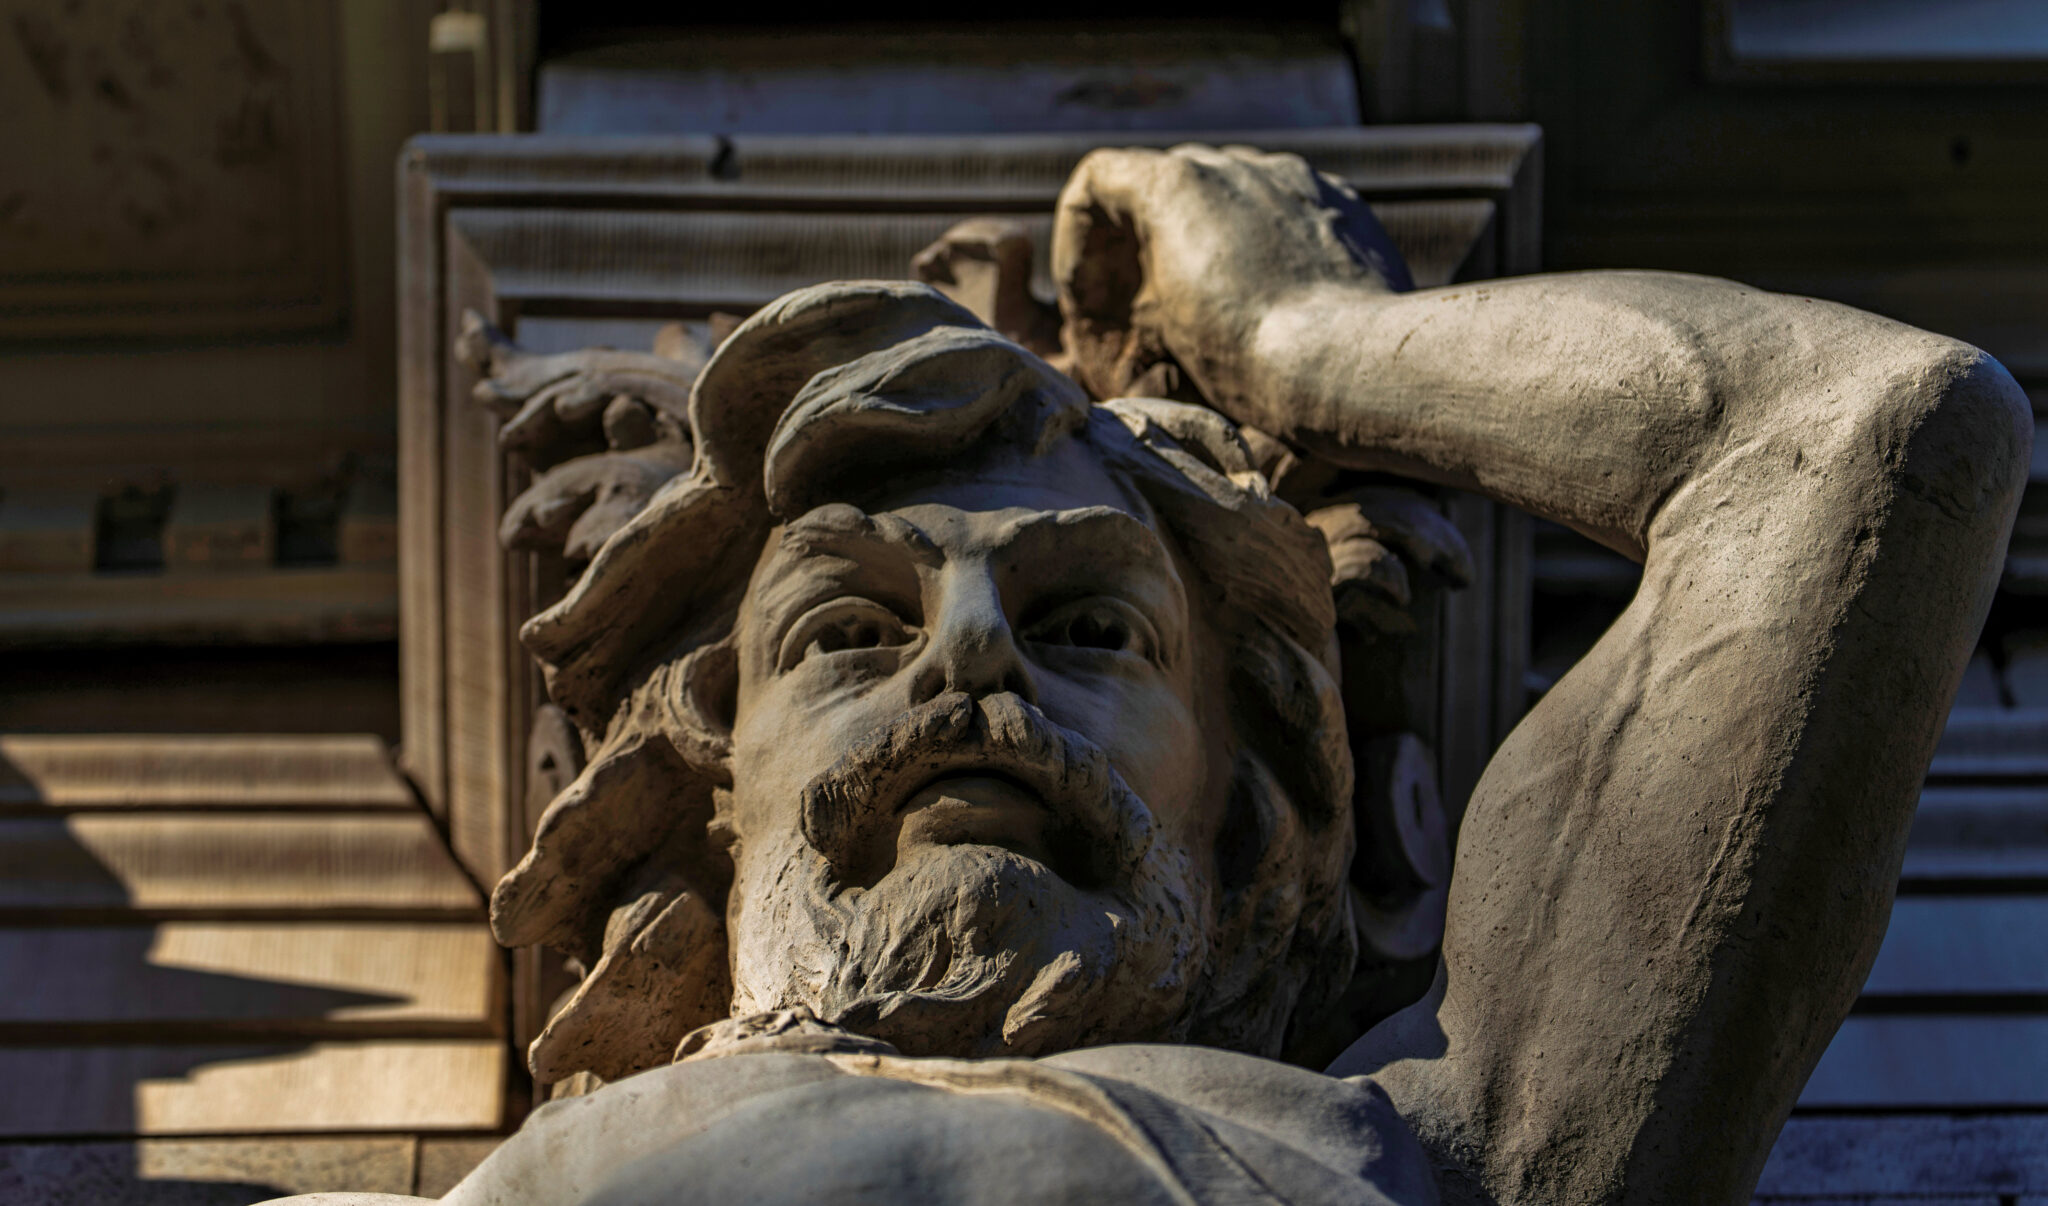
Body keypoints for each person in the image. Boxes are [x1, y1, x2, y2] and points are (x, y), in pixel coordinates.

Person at [268, 146, 2029, 1206]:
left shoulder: (1448, 1147)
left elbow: (1873, 442)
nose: (970, 653)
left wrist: (1300, 341)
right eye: (848, 630)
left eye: (1093, 629)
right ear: (714, 784)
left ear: (1254, 799)